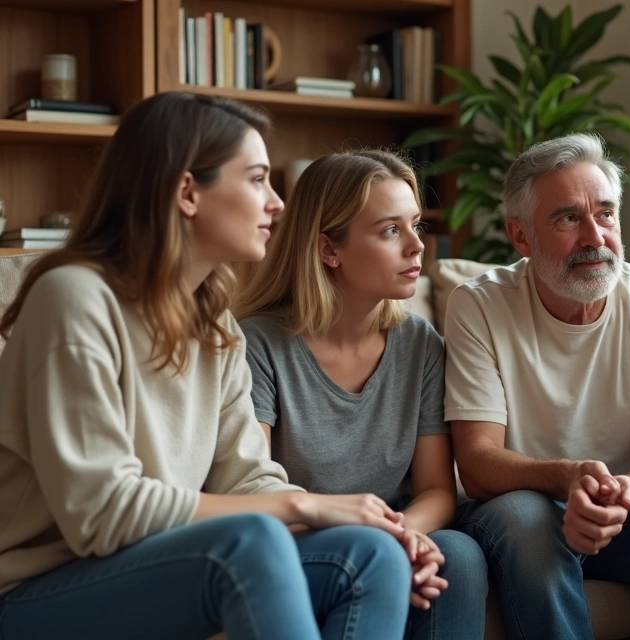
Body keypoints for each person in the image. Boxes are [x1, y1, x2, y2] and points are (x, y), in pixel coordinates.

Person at [0, 92, 413, 639]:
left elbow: (246, 476)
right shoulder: (74, 298)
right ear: (188, 192)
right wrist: (305, 505)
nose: (277, 203)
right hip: (38, 591)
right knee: (251, 542)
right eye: (257, 179)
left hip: (161, 563)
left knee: (372, 553)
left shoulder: (213, 319)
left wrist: (381, 525)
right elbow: (101, 514)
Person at [443, 133, 630, 639]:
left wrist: (626, 490)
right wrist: (568, 478)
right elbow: (476, 462)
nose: (595, 237)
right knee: (526, 516)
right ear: (521, 237)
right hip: (520, 517)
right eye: (568, 218)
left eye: (605, 214)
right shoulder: (478, 307)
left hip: (622, 515)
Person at [236, 149, 487, 639]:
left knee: (461, 554)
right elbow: (250, 489)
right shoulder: (258, 345)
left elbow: (437, 489)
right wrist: (382, 543)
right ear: (330, 249)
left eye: (416, 224)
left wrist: (403, 538)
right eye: (390, 230)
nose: (417, 246)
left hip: (391, 534)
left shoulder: (422, 345)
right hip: (300, 542)